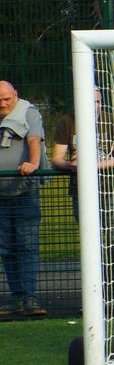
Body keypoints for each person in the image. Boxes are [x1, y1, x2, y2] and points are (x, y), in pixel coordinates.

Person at [0, 81, 46, 318]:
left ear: (15, 94)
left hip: (24, 191)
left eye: (7, 99)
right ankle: (16, 297)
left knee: (26, 244)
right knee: (6, 248)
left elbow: (33, 140)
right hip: (0, 195)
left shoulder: (30, 113)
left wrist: (33, 164)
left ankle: (29, 297)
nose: (3, 104)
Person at [50, 89, 114, 221]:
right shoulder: (67, 122)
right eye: (90, 102)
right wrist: (72, 165)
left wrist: (90, 165)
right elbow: (57, 159)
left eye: (98, 102)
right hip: (80, 189)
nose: (95, 106)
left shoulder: (111, 120)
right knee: (86, 230)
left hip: (109, 189)